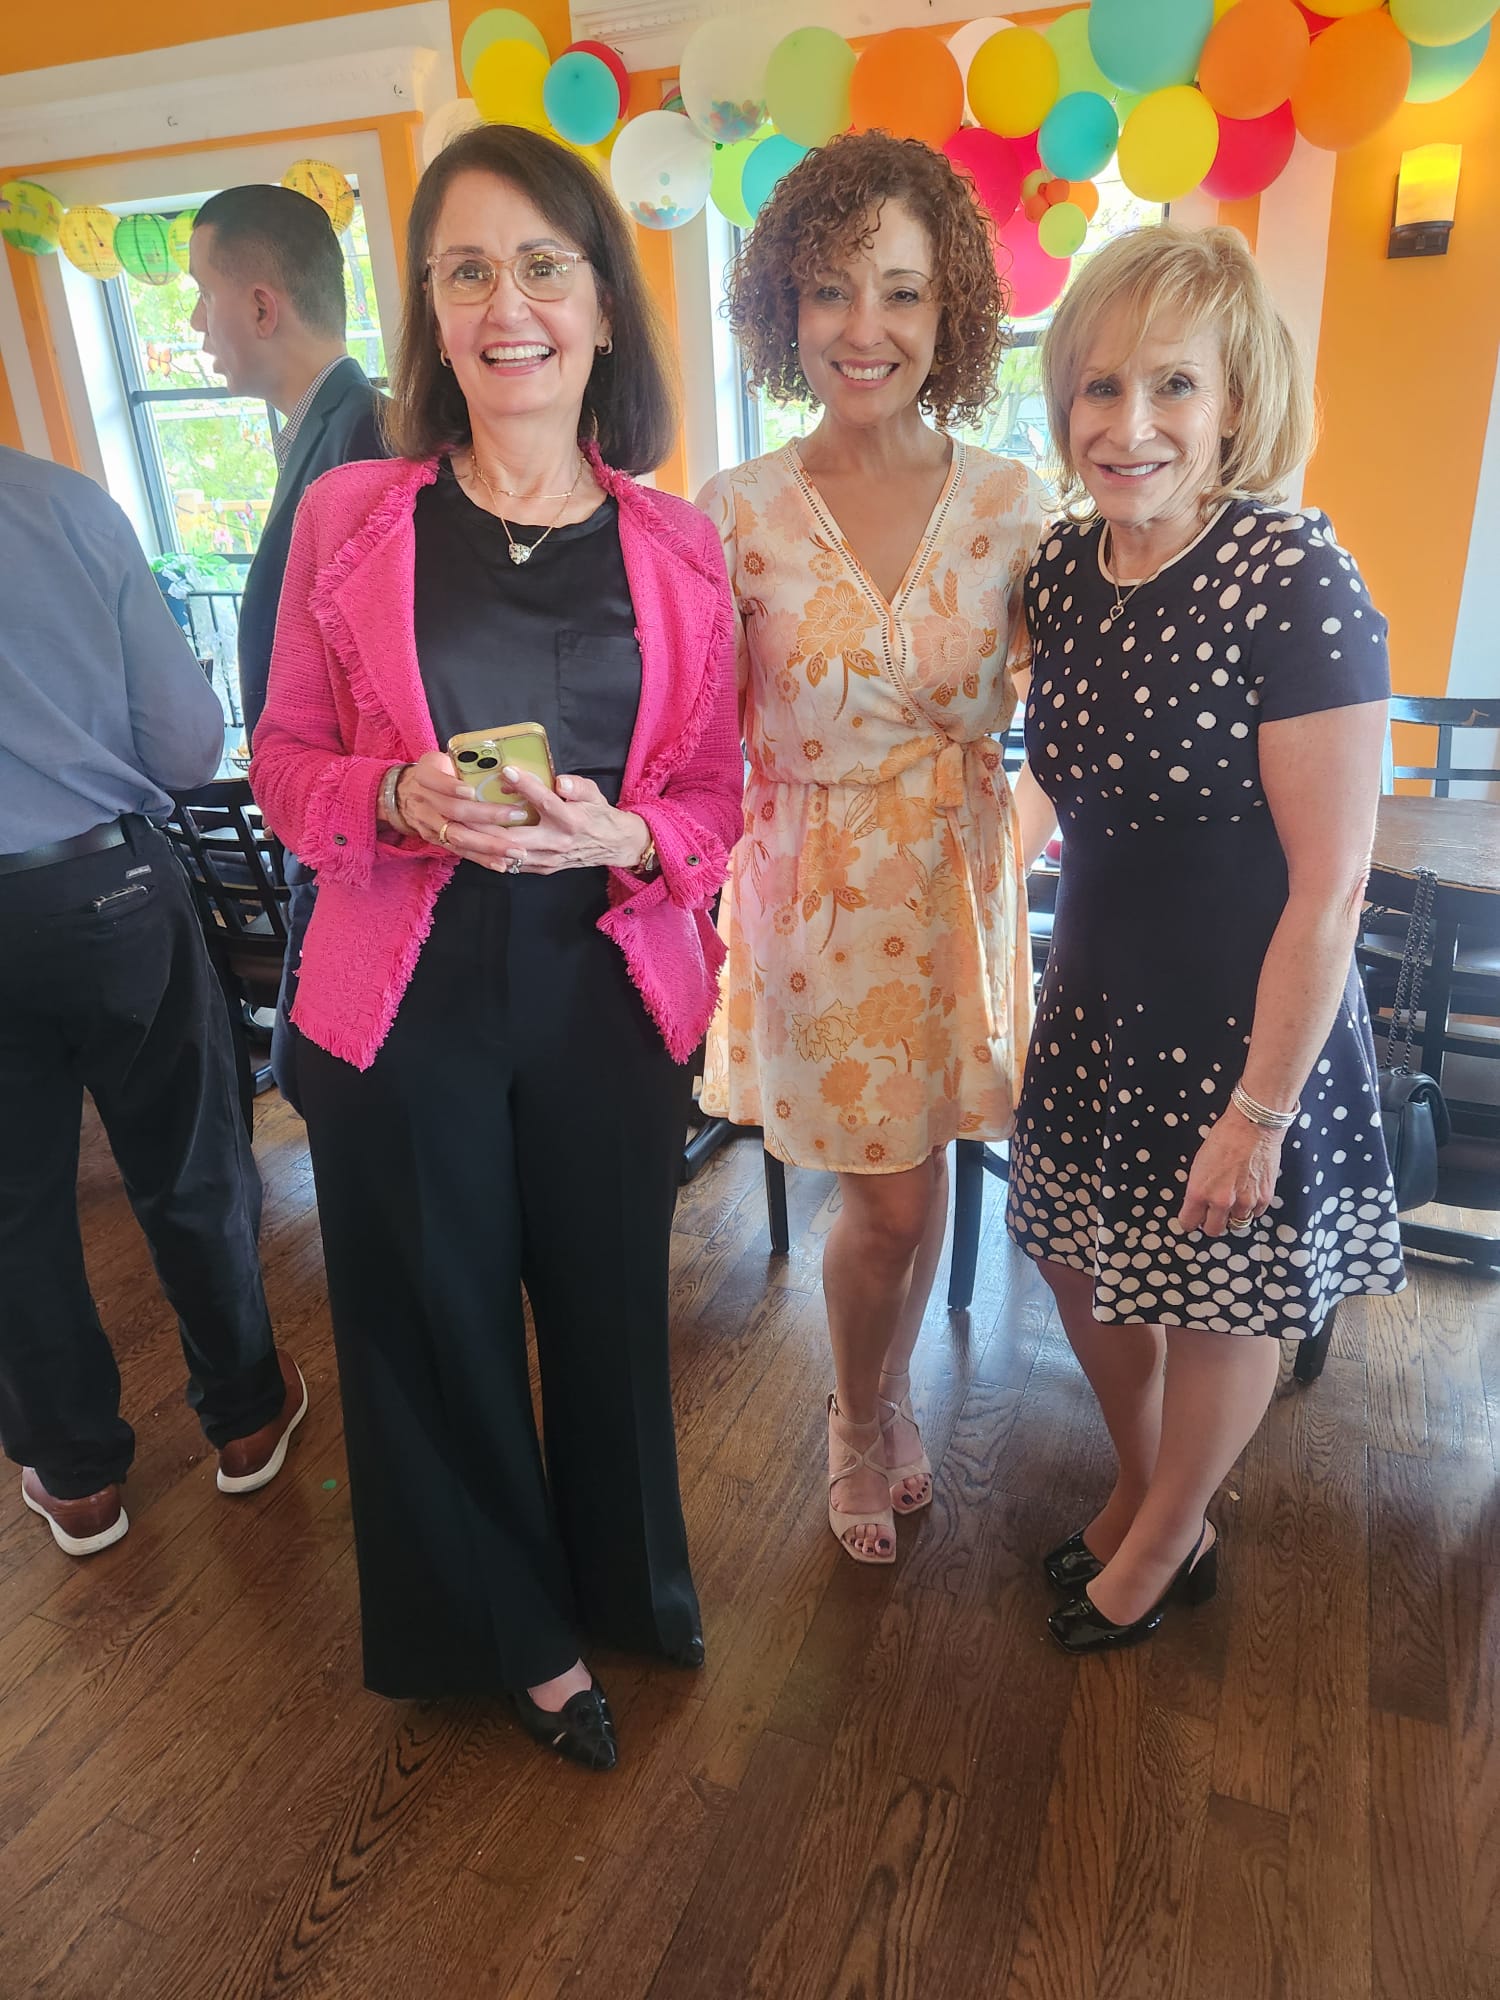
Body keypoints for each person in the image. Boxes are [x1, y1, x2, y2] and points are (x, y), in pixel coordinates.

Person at [250, 124, 741, 1770]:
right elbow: (280, 763)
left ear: (602, 307)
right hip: (406, 996)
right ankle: (514, 1641)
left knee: (610, 1313)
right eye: (466, 270)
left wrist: (631, 838)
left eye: (542, 265)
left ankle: (625, 1590)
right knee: (436, 1324)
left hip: (606, 985)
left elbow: (717, 795)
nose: (505, 303)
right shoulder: (351, 515)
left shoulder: (679, 546)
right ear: (431, 314)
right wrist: (393, 792)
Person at [1005, 224, 1403, 1654]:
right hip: (1094, 998)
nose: (1131, 425)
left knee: (1224, 1293)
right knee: (1076, 1257)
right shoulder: (1062, 569)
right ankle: (1148, 1483)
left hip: (1247, 1021)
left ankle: (1170, 1535)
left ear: (1236, 404)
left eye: (1174, 384)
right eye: (1100, 386)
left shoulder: (1295, 574)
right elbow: (1050, 770)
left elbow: (1333, 884)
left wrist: (1262, 1110)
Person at [698, 132, 1045, 1565]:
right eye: (832, 289)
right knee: (887, 1198)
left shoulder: (1016, 505)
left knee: (931, 1155)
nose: (866, 327)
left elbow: (1072, 718)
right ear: (783, 305)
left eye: (902, 292)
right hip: (821, 903)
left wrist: (1019, 841)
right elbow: (694, 735)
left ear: (950, 311)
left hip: (960, 889)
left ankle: (893, 1393)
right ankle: (854, 1415)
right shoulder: (735, 512)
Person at [0, 445, 305, 1557]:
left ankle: (76, 1477)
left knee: (10, 1209)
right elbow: (185, 746)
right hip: (105, 884)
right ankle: (247, 1415)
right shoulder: (61, 504)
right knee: (188, 1158)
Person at [189, 184, 387, 1107]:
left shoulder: (362, 436)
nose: (197, 322)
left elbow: (374, 667)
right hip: (328, 807)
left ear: (263, 305)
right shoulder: (322, 429)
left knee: (327, 1076)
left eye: (205, 293)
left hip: (358, 826)